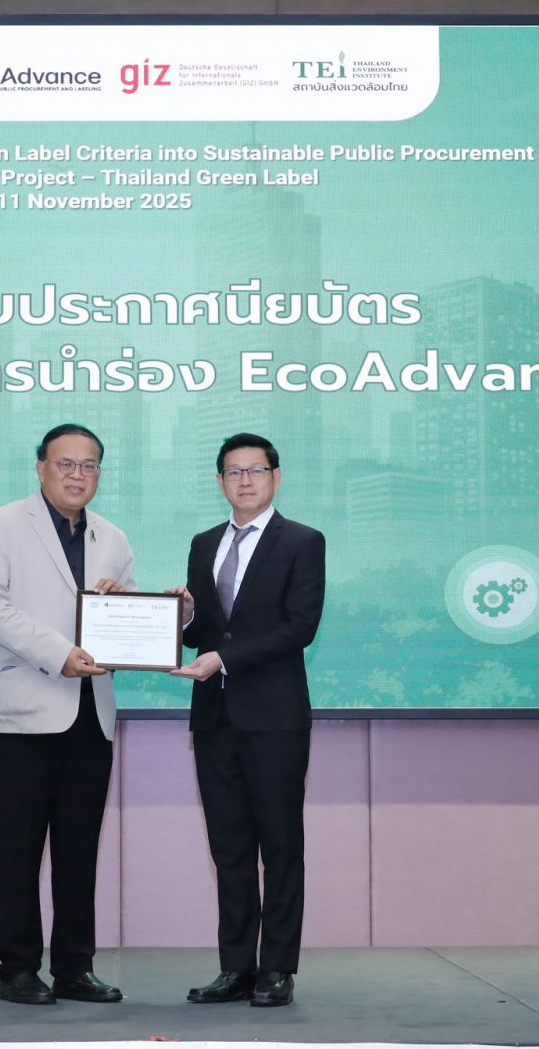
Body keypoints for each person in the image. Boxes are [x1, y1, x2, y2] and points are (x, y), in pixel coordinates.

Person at [0, 424, 134, 1006]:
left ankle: (74, 968)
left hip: (91, 716)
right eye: (65, 463)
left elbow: (127, 623)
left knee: (78, 851)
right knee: (18, 850)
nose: (76, 475)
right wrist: (57, 652)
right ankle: (17, 969)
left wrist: (127, 608)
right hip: (23, 713)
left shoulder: (113, 537)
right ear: (40, 468)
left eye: (89, 465)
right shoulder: (2, 524)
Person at [167, 432, 326, 1008]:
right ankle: (235, 967)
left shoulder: (303, 541)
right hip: (215, 718)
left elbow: (300, 626)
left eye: (256, 470)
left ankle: (277, 968)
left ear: (276, 478)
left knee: (280, 845)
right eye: (234, 472)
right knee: (229, 848)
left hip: (276, 718)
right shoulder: (203, 543)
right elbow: (203, 632)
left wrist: (224, 657)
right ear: (220, 482)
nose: (245, 481)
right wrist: (184, 618)